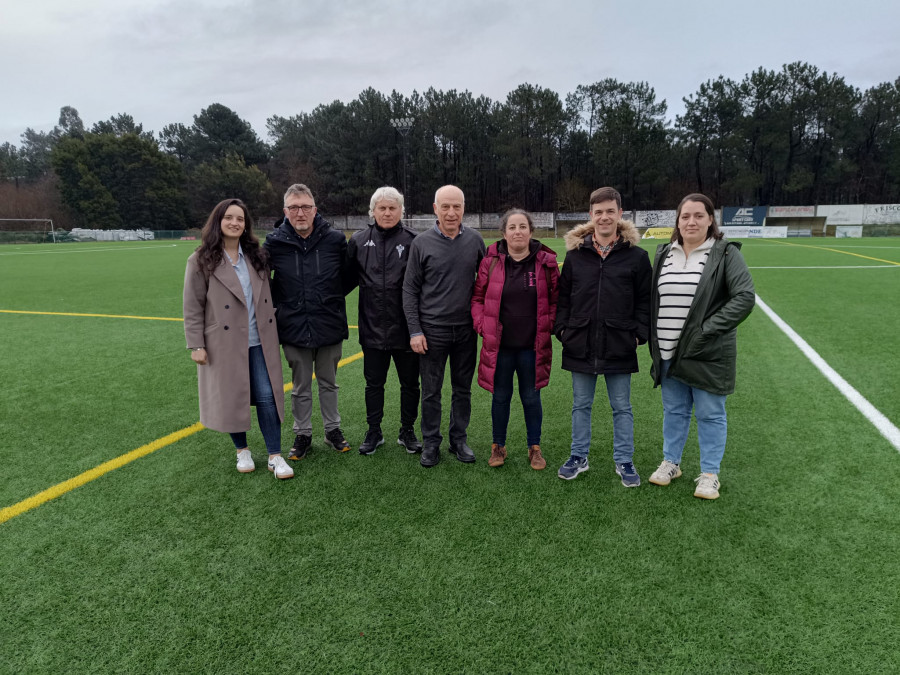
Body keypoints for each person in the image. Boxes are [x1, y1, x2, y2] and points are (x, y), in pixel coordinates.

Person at [647, 193, 755, 499]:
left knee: (710, 413)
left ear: (710, 220)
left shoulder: (725, 254)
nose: (691, 221)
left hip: (707, 353)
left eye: (698, 215)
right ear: (677, 222)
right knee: (674, 411)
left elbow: (744, 298)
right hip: (668, 352)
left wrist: (706, 330)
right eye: (685, 216)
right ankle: (671, 462)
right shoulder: (664, 253)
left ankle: (709, 474)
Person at [183, 198, 293, 479]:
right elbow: (193, 305)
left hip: (260, 339)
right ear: (218, 221)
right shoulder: (200, 259)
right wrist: (196, 344)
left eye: (240, 219)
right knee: (232, 397)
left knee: (268, 397)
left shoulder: (257, 256)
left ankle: (274, 455)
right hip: (224, 342)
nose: (235, 223)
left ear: (246, 226)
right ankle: (241, 450)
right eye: (229, 217)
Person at [554, 187, 652, 485]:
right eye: (599, 212)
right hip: (580, 341)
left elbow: (645, 302)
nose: (605, 217)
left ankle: (624, 460)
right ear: (591, 216)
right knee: (580, 404)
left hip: (619, 342)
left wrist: (638, 335)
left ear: (620, 214)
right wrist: (563, 331)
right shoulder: (575, 256)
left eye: (610, 211)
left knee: (621, 406)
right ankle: (578, 456)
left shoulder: (637, 257)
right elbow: (564, 299)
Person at [264, 183, 352, 459]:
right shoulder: (274, 243)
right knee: (300, 386)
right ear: (285, 211)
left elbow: (347, 278)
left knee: (329, 382)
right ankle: (302, 434)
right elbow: (263, 281)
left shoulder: (335, 240)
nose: (299, 213)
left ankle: (332, 430)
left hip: (328, 323)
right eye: (293, 207)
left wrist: (329, 299)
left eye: (305, 207)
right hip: (292, 326)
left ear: (315, 210)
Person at [403, 185, 486, 467]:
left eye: (457, 207)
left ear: (464, 208)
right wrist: (415, 330)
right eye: (446, 206)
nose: (452, 213)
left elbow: (485, 285)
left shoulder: (475, 240)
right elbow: (410, 290)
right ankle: (431, 443)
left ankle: (458, 440)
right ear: (435, 208)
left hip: (465, 331)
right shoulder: (421, 243)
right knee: (431, 391)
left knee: (462, 389)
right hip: (432, 332)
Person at [471, 209, 559, 470]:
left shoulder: (545, 263)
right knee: (500, 397)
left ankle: (534, 447)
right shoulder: (491, 262)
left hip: (532, 346)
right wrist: (482, 326)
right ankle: (498, 446)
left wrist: (549, 324)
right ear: (504, 233)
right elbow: (477, 299)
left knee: (531, 398)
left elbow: (556, 301)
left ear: (531, 231)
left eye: (523, 226)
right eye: (512, 227)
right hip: (500, 348)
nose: (518, 231)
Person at [346, 186, 422, 456]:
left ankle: (407, 430)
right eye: (382, 208)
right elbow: (344, 282)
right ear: (373, 211)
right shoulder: (358, 241)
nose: (387, 212)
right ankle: (374, 431)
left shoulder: (415, 241)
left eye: (393, 208)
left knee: (411, 384)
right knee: (373, 384)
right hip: (372, 329)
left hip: (407, 331)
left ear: (401, 211)